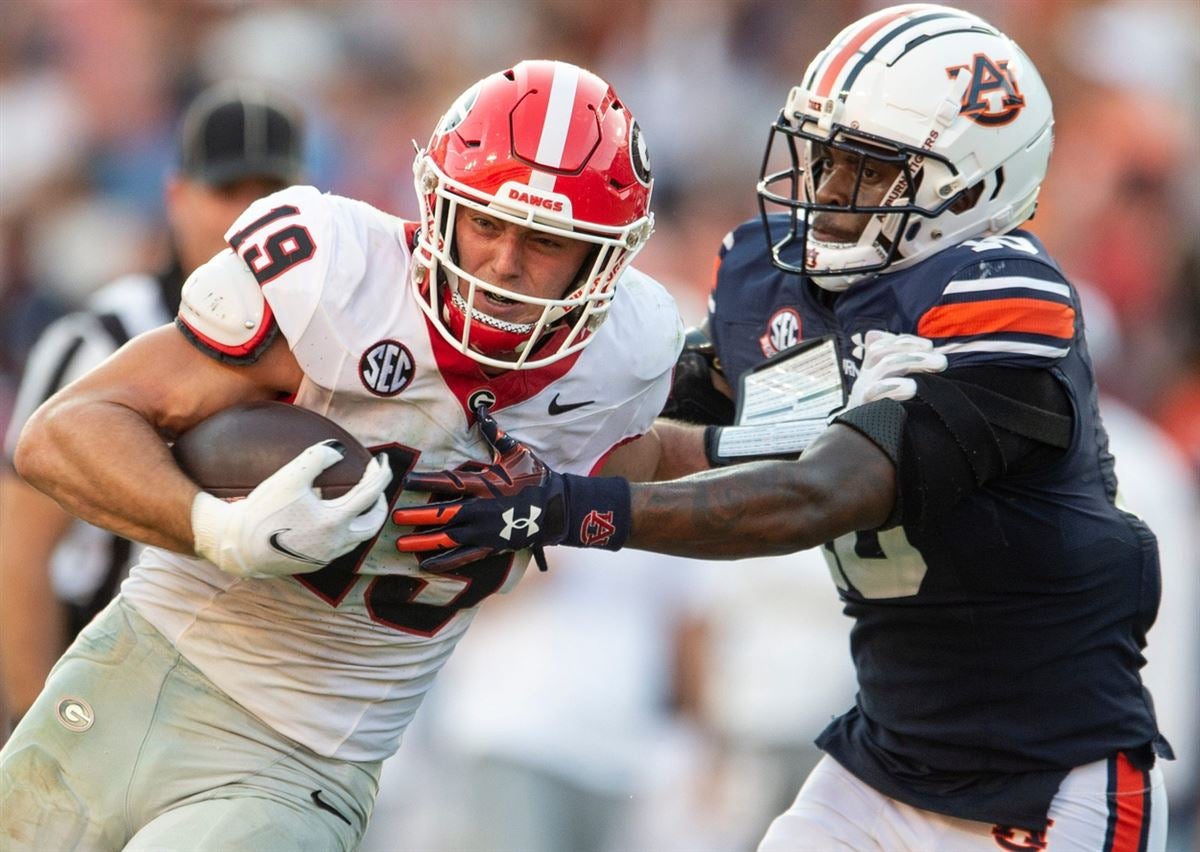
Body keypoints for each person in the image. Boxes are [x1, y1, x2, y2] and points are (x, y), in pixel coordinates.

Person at [394, 6, 1173, 850]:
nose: (829, 193)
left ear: (974, 188)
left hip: (1048, 784)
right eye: (827, 157)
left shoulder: (1005, 296)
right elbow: (649, 425)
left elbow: (821, 495)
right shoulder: (777, 281)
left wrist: (562, 509)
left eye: (870, 173)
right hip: (884, 764)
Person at [0, 60, 685, 852]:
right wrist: (216, 527)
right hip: (132, 670)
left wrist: (768, 438)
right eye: (486, 223)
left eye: (544, 240)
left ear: (602, 260)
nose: (503, 263)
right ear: (439, 206)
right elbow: (63, 433)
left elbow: (658, 475)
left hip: (300, 760)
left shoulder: (621, 366)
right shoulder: (337, 276)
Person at [0, 81, 306, 738]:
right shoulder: (103, 336)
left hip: (250, 709)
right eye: (227, 191)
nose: (248, 217)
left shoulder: (327, 344)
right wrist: (42, 730)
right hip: (101, 683)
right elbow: (18, 550)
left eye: (269, 195)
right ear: (177, 197)